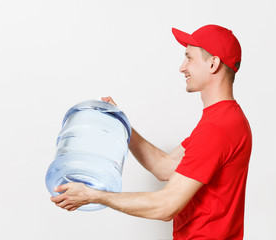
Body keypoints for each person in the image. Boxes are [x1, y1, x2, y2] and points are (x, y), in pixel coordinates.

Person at [50, 24, 252, 239]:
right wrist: (122, 123)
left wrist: (94, 195)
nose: (182, 67)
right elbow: (163, 167)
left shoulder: (218, 129)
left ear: (213, 64)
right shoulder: (224, 120)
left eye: (189, 57)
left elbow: (166, 206)